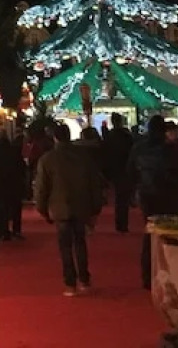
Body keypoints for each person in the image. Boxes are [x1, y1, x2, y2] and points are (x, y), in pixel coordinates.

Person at [35, 121, 103, 296]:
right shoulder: (83, 157)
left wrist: (42, 208)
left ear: (55, 138)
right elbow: (94, 183)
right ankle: (84, 279)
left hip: (59, 207)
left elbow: (42, 187)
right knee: (80, 242)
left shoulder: (48, 159)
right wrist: (95, 207)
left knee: (65, 245)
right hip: (81, 205)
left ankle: (70, 283)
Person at [130, 115, 178, 290]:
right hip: (169, 195)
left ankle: (148, 275)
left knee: (150, 233)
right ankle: (171, 273)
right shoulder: (171, 150)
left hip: (147, 195)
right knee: (171, 234)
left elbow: (130, 171)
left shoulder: (138, 148)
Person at [0, 130, 26, 240]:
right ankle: (16, 230)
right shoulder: (14, 150)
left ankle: (4, 231)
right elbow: (21, 167)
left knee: (2, 208)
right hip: (15, 183)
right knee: (16, 208)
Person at [102, 113, 136, 233]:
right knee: (123, 197)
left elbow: (105, 153)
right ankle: (123, 223)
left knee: (119, 197)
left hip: (115, 169)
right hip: (125, 168)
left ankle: (120, 223)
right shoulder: (126, 135)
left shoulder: (110, 136)